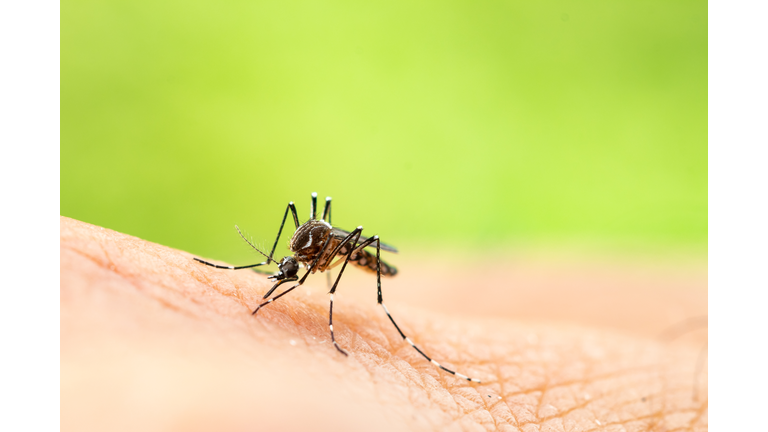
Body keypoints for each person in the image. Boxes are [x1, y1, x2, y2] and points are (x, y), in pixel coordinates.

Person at [61, 216, 707, 432]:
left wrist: (334, 314)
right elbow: (301, 252)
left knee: (335, 249)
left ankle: (366, 322)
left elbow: (326, 251)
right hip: (328, 247)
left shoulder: (324, 254)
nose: (288, 273)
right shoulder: (299, 252)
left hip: (359, 252)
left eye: (289, 265)